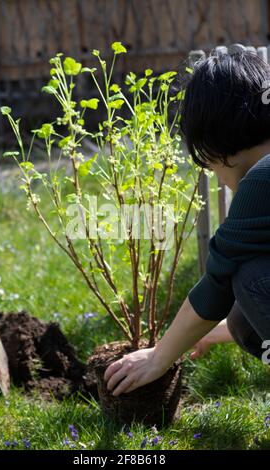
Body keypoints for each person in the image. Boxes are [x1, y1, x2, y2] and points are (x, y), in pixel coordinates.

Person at [104, 51, 270, 396]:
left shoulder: (261, 180)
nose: (220, 180)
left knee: (249, 276)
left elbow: (218, 282)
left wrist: (157, 358)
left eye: (209, 166)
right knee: (241, 320)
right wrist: (213, 330)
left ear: (219, 147)